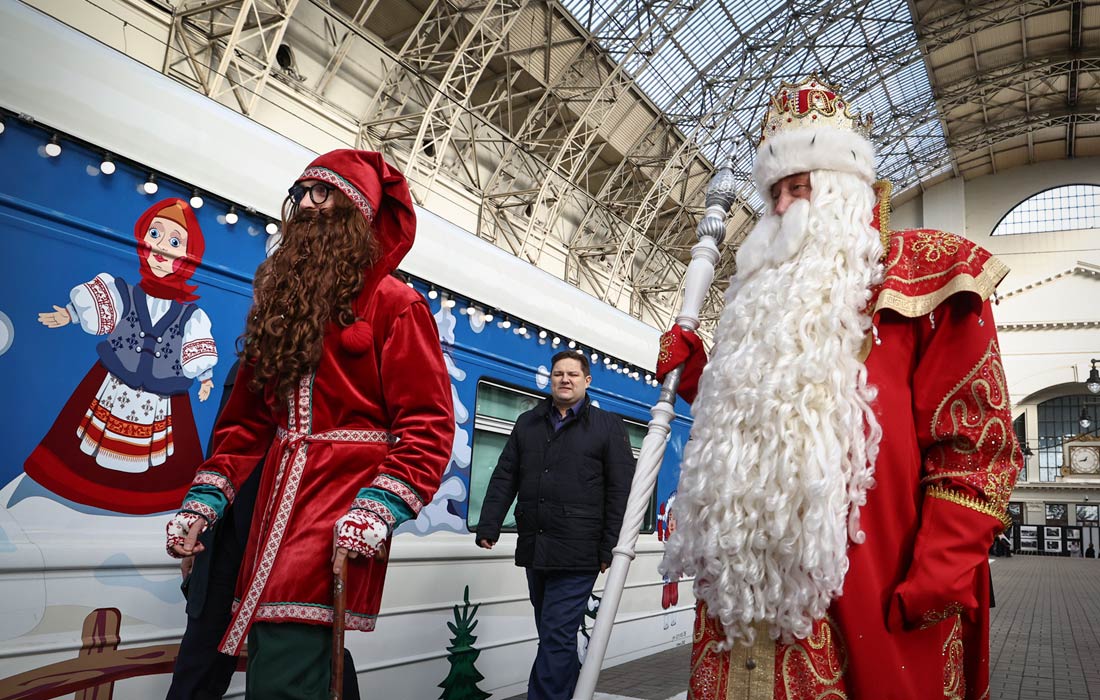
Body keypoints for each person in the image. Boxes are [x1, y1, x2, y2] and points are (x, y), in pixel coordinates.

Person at [656, 76, 1021, 699]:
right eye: (774, 191)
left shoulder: (926, 276)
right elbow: (760, 428)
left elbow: (975, 444)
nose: (780, 209)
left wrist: (938, 570)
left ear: (843, 190)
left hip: (874, 598)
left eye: (799, 188)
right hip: (745, 614)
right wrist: (701, 377)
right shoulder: (759, 302)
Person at [165, 150, 455, 699]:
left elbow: (428, 427)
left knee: (285, 668)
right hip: (273, 513)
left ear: (357, 213)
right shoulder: (282, 307)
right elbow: (245, 425)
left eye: (323, 194)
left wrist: (376, 509)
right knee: (284, 665)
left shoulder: (396, 304)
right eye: (300, 195)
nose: (307, 206)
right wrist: (204, 502)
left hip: (339, 505)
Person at [166, 361, 360, 700]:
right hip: (226, 545)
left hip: (289, 546)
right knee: (199, 670)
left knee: (302, 663)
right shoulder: (252, 365)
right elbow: (223, 452)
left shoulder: (324, 369)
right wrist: (201, 525)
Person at [27, 198, 216, 514]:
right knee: (91, 440)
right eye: (155, 235)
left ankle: (141, 503)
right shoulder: (122, 292)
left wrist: (206, 378)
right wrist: (71, 314)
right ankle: (81, 493)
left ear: (187, 255)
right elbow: (104, 311)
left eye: (174, 241)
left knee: (157, 457)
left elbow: (195, 347)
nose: (161, 248)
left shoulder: (191, 315)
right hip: (116, 382)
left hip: (160, 394)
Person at [475, 350, 635, 700]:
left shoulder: (608, 426)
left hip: (580, 551)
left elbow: (621, 491)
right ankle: (576, 691)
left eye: (573, 374)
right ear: (551, 379)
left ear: (587, 381)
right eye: (558, 374)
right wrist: (489, 524)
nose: (565, 379)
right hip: (536, 547)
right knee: (552, 636)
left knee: (556, 635)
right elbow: (506, 475)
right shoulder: (527, 423)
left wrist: (611, 545)